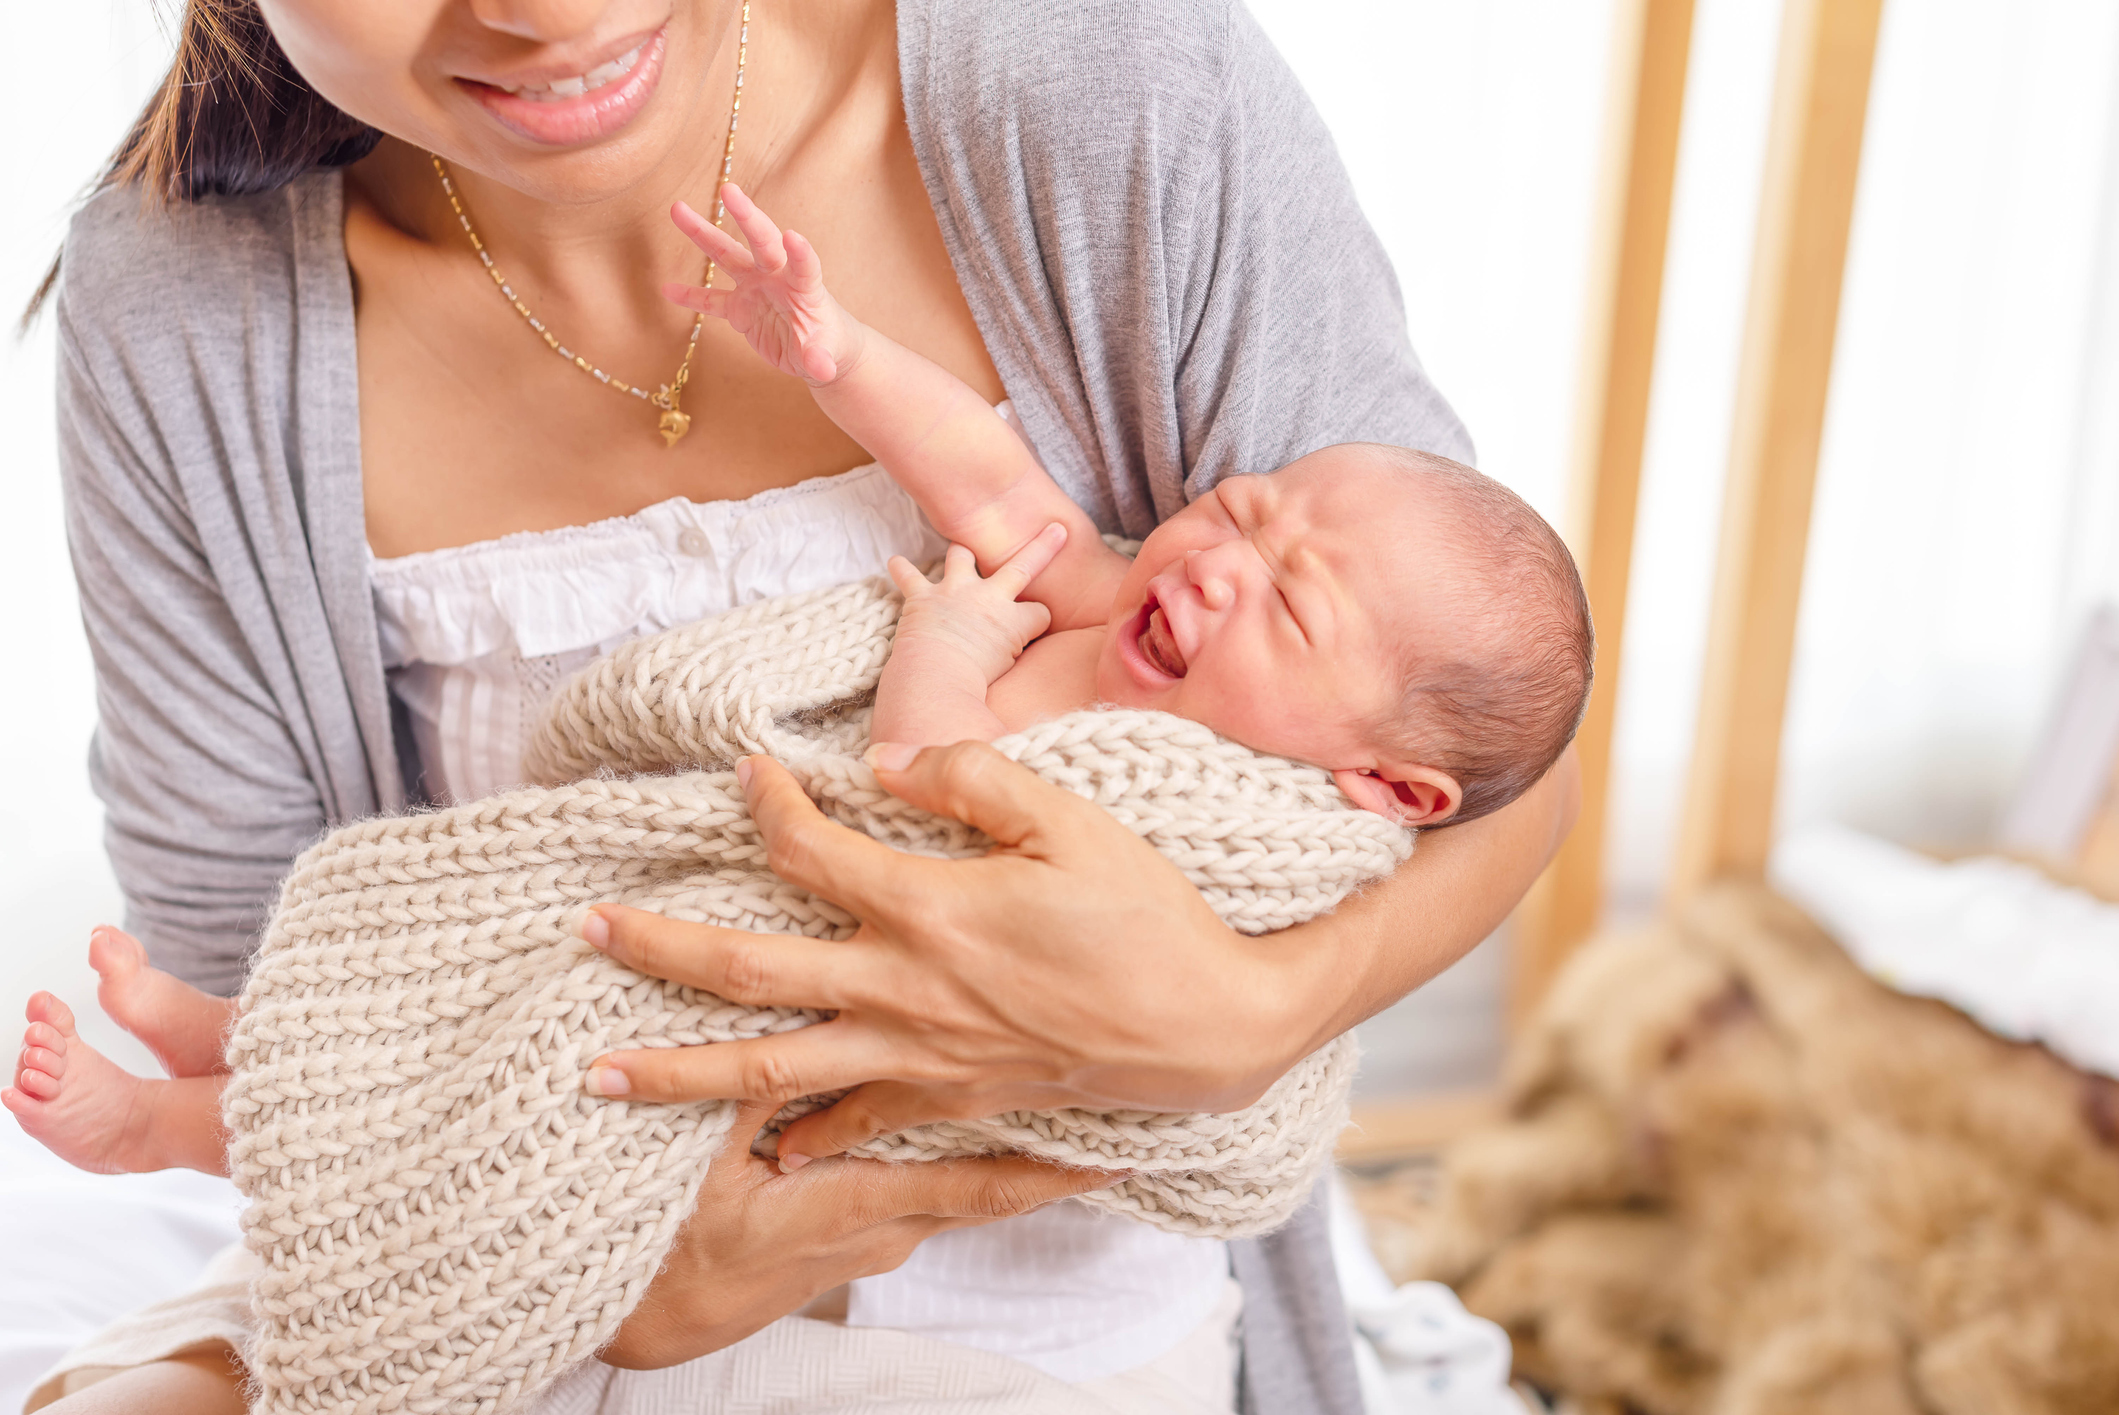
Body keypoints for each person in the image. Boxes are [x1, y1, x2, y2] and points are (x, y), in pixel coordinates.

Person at [9, 0, 1578, 1410]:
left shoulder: (1105, 83)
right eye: (1234, 514)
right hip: (517, 1165)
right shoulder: (177, 312)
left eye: (1279, 582)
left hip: (1024, 1317)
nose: (542, 15)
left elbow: (1500, 754)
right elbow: (309, 985)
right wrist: (611, 1253)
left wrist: (1252, 1018)